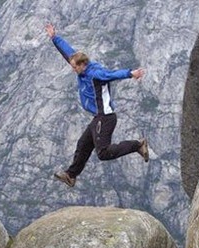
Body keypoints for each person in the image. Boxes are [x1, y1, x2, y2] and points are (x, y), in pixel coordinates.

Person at [45, 23, 149, 187]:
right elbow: (68, 52)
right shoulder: (80, 66)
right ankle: (71, 176)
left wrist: (130, 74)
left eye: (74, 67)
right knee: (83, 144)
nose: (72, 70)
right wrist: (54, 37)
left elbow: (112, 74)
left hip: (105, 117)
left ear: (82, 65)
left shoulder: (96, 74)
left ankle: (138, 145)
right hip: (98, 117)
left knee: (103, 153)